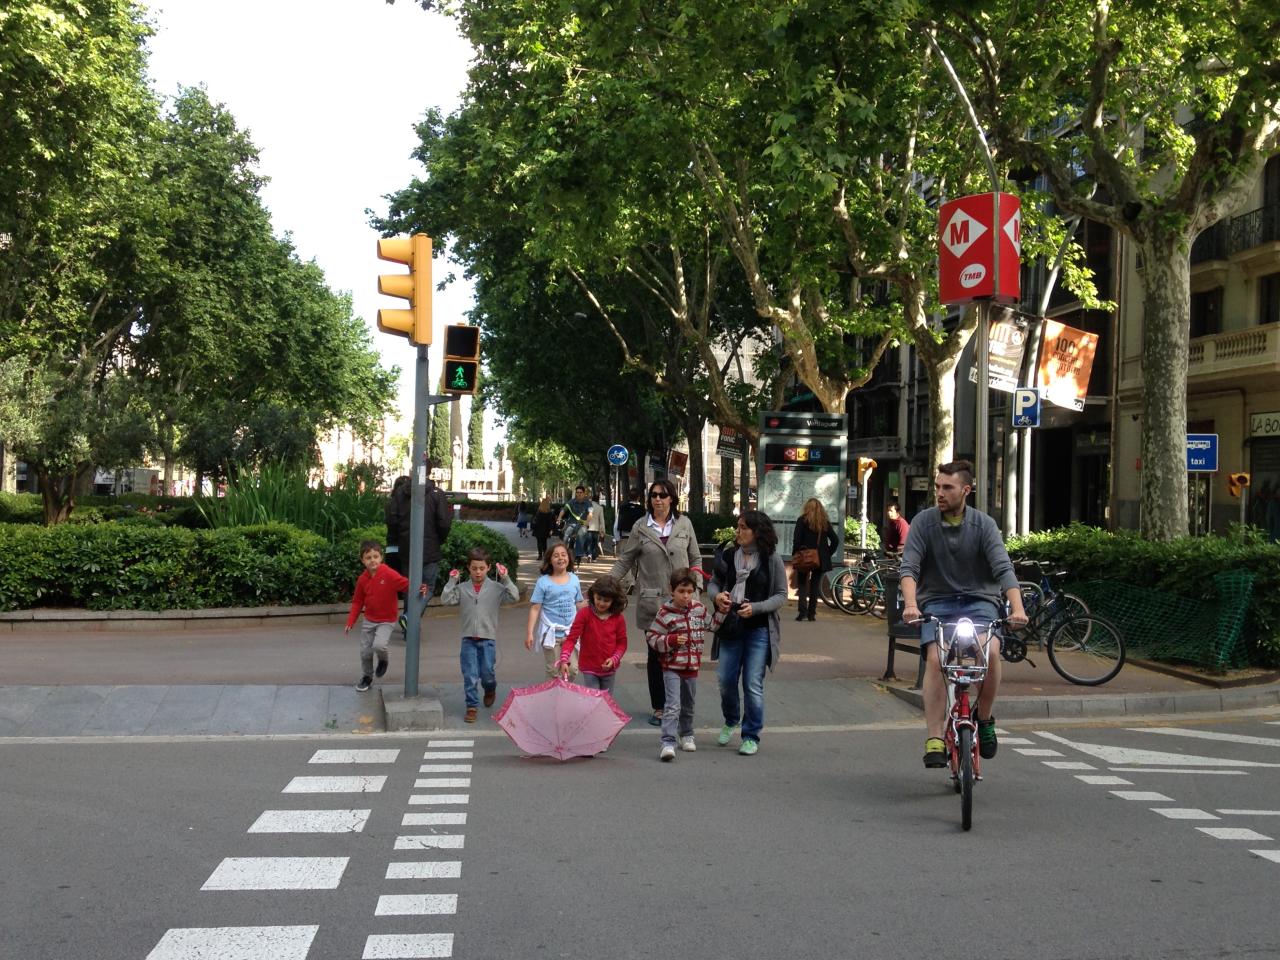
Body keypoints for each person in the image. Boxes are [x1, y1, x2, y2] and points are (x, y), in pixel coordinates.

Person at [898, 460, 1028, 769]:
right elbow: (909, 568)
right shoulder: (923, 523)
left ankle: (984, 719)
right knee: (935, 660)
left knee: (991, 654)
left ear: (965, 491)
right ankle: (933, 737)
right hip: (938, 604)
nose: (939, 493)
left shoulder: (984, 525)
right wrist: (911, 604)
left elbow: (1003, 570)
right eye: (937, 487)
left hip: (979, 603)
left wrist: (1018, 609)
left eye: (947, 487)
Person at [610, 477, 702, 727]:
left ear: (672, 498)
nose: (658, 499)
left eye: (663, 495)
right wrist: (607, 585)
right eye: (654, 495)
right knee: (656, 655)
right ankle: (660, 707)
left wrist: (698, 587)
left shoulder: (684, 524)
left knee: (682, 653)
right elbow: (625, 560)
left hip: (683, 603)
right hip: (652, 603)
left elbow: (695, 558)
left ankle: (680, 705)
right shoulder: (641, 526)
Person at [709, 510, 787, 756]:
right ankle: (731, 719)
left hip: (758, 629)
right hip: (731, 626)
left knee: (752, 683)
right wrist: (717, 596)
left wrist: (756, 608)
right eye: (738, 526)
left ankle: (751, 735)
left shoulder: (770, 558)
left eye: (743, 527)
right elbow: (713, 583)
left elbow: (781, 595)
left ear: (757, 531)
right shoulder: (730, 555)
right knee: (725, 679)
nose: (738, 531)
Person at [646, 567, 720, 761]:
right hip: (671, 667)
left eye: (690, 592)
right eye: (681, 591)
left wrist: (723, 611)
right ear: (672, 590)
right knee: (672, 705)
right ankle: (667, 742)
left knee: (688, 705)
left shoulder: (699, 610)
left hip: (692, 667)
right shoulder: (665, 613)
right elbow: (652, 637)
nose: (686, 596)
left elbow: (713, 625)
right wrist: (669, 641)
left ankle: (686, 734)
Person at [440, 547, 520, 723]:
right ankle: (472, 706)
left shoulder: (496, 588)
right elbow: (445, 600)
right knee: (469, 675)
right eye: (474, 568)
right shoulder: (462, 588)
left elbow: (514, 596)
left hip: (488, 639)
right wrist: (452, 581)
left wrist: (506, 577)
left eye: (481, 568)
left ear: (488, 568)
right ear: (468, 568)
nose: (478, 572)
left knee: (487, 674)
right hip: (468, 639)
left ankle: (490, 688)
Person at [385, 460, 453, 627]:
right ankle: (409, 617)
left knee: (411, 586)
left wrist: (401, 537)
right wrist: (439, 540)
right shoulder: (437, 494)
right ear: (430, 472)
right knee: (428, 586)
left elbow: (392, 519)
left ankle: (408, 622)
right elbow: (444, 523)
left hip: (407, 548)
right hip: (430, 549)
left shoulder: (400, 492)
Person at [345, 539, 410, 692]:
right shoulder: (362, 579)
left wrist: (421, 587)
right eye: (368, 558)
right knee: (365, 652)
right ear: (363, 560)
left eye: (375, 556)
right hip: (369, 620)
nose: (372, 560)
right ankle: (367, 677)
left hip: (386, 620)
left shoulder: (388, 573)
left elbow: (405, 584)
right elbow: (357, 602)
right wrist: (350, 621)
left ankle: (383, 659)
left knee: (379, 645)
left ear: (381, 557)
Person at [557, 575, 629, 692]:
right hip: (589, 667)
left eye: (606, 601)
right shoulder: (584, 614)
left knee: (606, 701)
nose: (601, 603)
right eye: (599, 598)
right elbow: (571, 639)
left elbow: (622, 643)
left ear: (614, 601)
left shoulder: (618, 618)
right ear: (593, 595)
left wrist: (614, 659)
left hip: (609, 668)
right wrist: (564, 659)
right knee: (593, 698)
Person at [526, 542, 586, 679]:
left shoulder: (575, 579)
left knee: (572, 670)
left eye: (563, 555)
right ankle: (552, 698)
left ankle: (565, 694)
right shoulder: (543, 582)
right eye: (556, 556)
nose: (560, 558)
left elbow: (579, 603)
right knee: (554, 671)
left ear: (569, 558)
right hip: (551, 634)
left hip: (571, 633)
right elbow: (535, 608)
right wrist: (529, 633)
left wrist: (594, 603)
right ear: (549, 560)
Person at [791, 497, 840, 622]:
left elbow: (796, 540)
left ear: (806, 508)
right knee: (815, 585)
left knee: (802, 584)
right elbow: (835, 540)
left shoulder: (801, 521)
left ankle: (802, 612)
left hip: (804, 557)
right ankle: (812, 614)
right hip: (820, 559)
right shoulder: (823, 522)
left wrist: (796, 553)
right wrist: (827, 553)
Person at [558, 485, 593, 561]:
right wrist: (559, 518)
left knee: (581, 534)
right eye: (577, 492)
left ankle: (578, 554)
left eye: (581, 492)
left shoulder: (588, 503)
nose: (579, 494)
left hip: (582, 524)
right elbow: (564, 510)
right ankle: (562, 552)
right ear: (576, 493)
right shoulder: (571, 501)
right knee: (566, 534)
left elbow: (590, 514)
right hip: (571, 523)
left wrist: (587, 522)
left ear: (584, 493)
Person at [384, 475, 411, 574]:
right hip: (407, 549)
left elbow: (391, 523)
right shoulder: (412, 505)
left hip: (391, 548)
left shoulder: (390, 504)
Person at [531, 495, 555, 559]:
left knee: (539, 542)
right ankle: (545, 554)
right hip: (546, 529)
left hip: (538, 529)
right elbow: (550, 522)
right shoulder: (549, 512)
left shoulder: (539, 512)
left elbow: (535, 520)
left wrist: (533, 527)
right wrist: (551, 529)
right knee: (544, 542)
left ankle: (540, 555)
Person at [586, 491, 607, 561]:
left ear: (592, 499)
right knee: (595, 543)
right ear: (598, 500)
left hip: (588, 528)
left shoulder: (588, 506)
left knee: (589, 542)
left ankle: (589, 554)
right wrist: (603, 530)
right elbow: (602, 520)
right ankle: (594, 558)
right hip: (596, 528)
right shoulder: (600, 508)